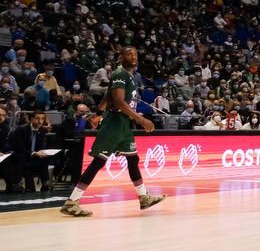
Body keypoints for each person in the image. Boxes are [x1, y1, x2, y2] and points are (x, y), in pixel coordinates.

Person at [60, 47, 165, 217]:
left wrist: (98, 113)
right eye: (129, 54)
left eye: (136, 54)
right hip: (115, 122)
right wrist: (140, 119)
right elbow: (117, 101)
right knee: (99, 162)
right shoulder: (120, 73)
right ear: (121, 57)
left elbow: (107, 97)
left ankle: (143, 197)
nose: (133, 57)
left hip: (123, 124)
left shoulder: (127, 75)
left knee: (133, 158)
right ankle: (72, 202)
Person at [7, 111, 52, 192]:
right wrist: (33, 153)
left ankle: (45, 183)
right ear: (31, 119)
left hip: (34, 155)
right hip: (21, 153)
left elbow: (41, 146)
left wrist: (42, 151)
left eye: (42, 119)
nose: (40, 121)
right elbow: (19, 147)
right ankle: (17, 183)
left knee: (44, 157)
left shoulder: (42, 130)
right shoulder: (21, 129)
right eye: (37, 118)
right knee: (22, 157)